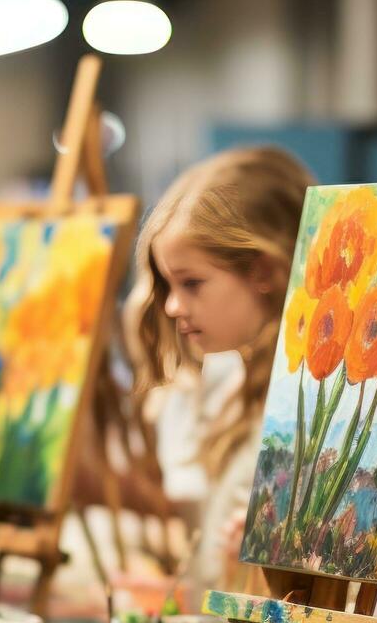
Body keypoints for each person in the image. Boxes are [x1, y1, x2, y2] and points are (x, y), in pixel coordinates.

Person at [129, 146, 315, 591]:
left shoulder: (324, 398)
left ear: (264, 271)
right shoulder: (234, 381)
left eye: (192, 283)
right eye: (168, 285)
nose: (173, 306)